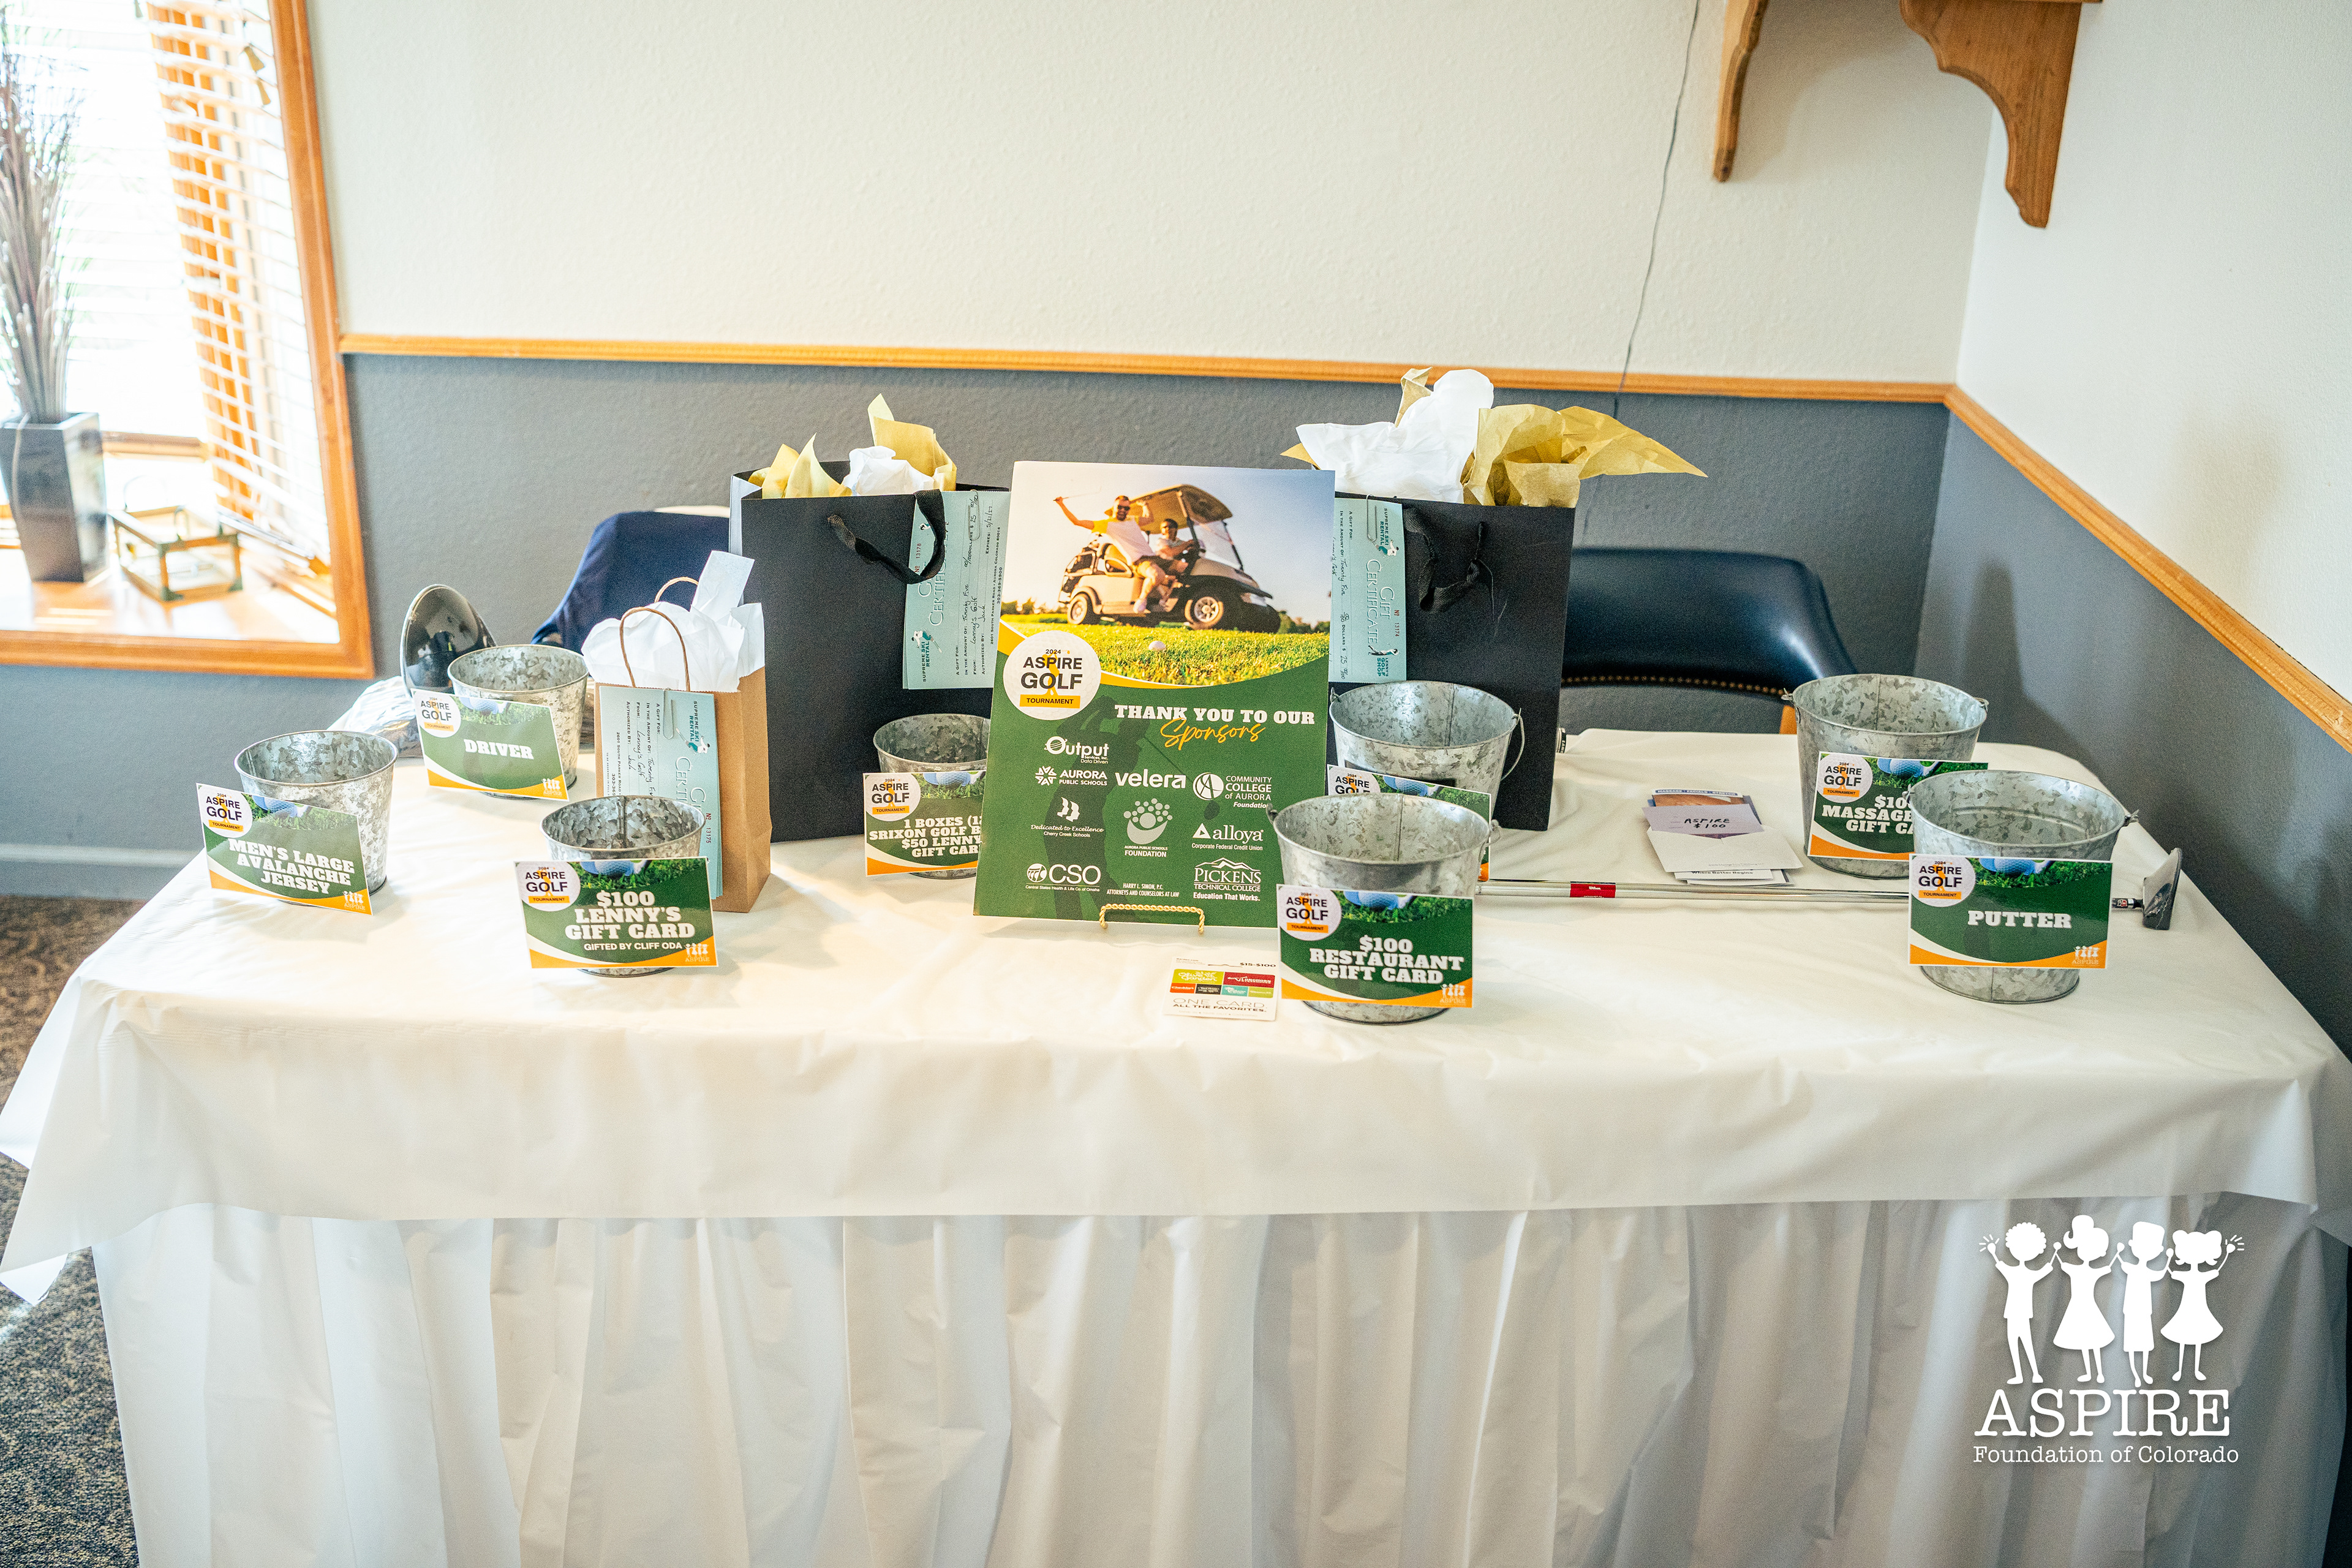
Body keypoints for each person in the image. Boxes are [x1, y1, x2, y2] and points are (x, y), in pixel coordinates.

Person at [2163, 1229, 2242, 1381]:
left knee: (2197, 1339)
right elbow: (2172, 1273)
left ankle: (2195, 1371)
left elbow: (2217, 1271)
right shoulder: (2188, 1275)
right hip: (2186, 1310)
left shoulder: (2201, 1276)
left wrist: (2227, 1254)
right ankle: (2180, 1370)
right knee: (2183, 1338)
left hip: (2199, 1310)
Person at [1986, 1221, 2055, 1385]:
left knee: (2023, 1343)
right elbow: (2045, 1270)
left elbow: (2044, 1271)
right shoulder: (2022, 1273)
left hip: (2019, 1314)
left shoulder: (2019, 1273)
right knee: (2017, 1343)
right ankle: (2024, 1375)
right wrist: (1993, 1252)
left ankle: (2034, 1374)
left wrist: (1993, 1252)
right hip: (2016, 1313)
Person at [2052, 1215, 2117, 1384]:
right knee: (2085, 1343)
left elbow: (2065, 1265)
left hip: (2087, 1308)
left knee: (2094, 1342)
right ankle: (2090, 1373)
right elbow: (2064, 1265)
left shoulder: (2080, 1270)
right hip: (2077, 1309)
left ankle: (2099, 1373)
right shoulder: (2077, 1270)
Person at [2116, 1222, 2169, 1387]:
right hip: (2132, 1310)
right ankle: (2135, 1375)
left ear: (2158, 1251)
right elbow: (2121, 1263)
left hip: (2144, 1311)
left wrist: (2168, 1259)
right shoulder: (2131, 1268)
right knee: (2132, 1345)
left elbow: (2160, 1275)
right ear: (2133, 1245)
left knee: (2145, 1345)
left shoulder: (2142, 1271)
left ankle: (2144, 1373)